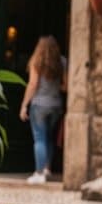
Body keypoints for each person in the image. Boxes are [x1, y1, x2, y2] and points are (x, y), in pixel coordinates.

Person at [19, 35, 67, 184]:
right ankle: (47, 168)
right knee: (49, 138)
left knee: (39, 138)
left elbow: (33, 84)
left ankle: (39, 173)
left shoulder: (37, 62)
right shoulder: (63, 61)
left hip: (39, 105)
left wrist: (24, 105)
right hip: (56, 105)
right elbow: (65, 86)